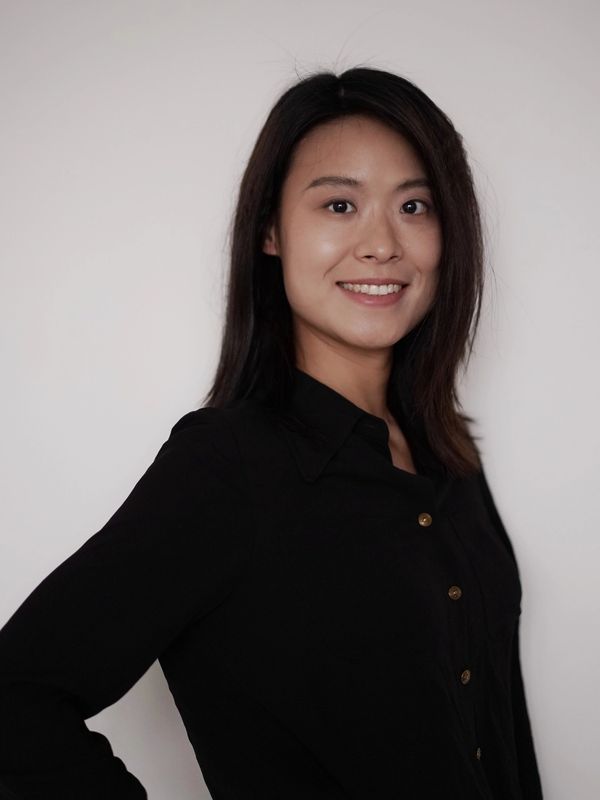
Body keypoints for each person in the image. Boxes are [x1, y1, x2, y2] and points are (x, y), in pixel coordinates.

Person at [0, 67, 544, 799]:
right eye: (340, 204)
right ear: (271, 231)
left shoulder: (452, 457)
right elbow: (17, 700)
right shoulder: (228, 467)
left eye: (414, 205)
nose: (382, 243)